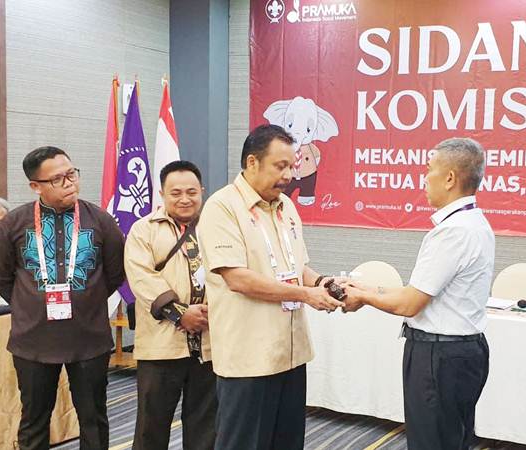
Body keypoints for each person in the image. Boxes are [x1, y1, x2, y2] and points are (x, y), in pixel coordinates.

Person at [198, 124, 343, 450]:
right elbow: (237, 278)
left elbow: (297, 266)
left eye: (292, 166)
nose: (289, 175)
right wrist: (305, 294)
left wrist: (323, 283)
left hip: (290, 354)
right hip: (249, 358)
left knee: (287, 443)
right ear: (252, 162)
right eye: (280, 166)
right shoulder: (222, 207)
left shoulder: (286, 206)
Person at [343, 137, 495, 450]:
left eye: (428, 170)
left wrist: (363, 298)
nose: (423, 178)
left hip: (439, 359)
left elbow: (410, 304)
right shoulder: (473, 223)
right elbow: (420, 292)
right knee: (451, 439)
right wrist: (367, 288)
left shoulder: (453, 231)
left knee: (431, 442)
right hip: (459, 353)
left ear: (450, 178)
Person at [0, 146, 126, 450]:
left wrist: (86, 300)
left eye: (72, 174)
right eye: (57, 179)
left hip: (88, 339)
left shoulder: (101, 220)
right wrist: (29, 303)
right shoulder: (14, 223)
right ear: (35, 186)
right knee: (34, 421)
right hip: (33, 340)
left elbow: (116, 273)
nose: (69, 183)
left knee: (94, 420)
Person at [124, 160, 217, 450]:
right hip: (161, 345)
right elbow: (141, 278)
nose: (185, 199)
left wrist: (214, 310)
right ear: (162, 194)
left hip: (210, 344)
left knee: (206, 427)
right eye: (176, 193)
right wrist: (181, 314)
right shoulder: (144, 230)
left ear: (202, 191)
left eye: (192, 192)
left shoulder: (217, 228)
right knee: (152, 426)